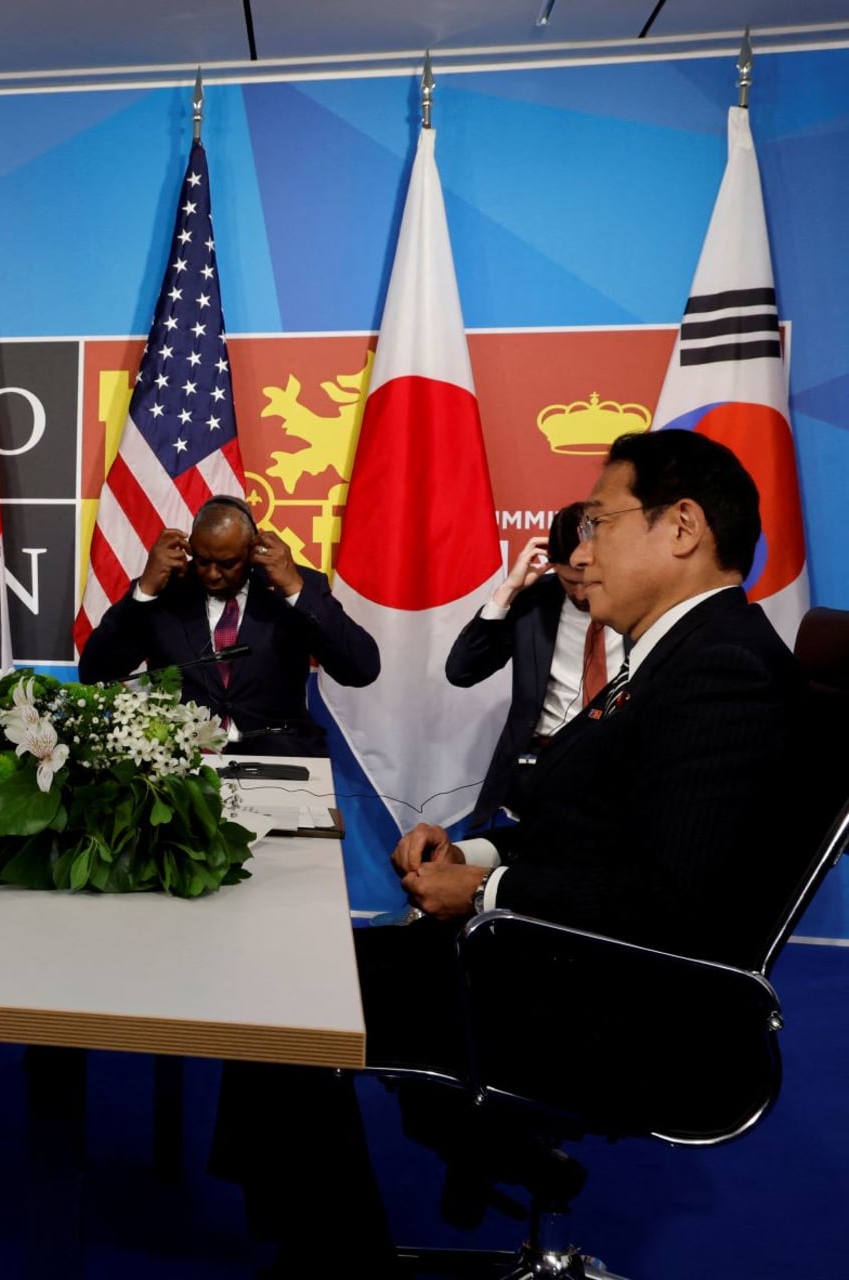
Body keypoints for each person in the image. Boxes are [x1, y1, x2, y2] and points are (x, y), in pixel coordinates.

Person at [210, 430, 819, 1277]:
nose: (581, 549)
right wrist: (470, 847)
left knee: (286, 992)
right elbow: (591, 825)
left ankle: (338, 1258)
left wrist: (486, 891)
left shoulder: (722, 670)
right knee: (291, 976)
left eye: (600, 522)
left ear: (682, 528)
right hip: (566, 961)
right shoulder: (681, 652)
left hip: (628, 1011)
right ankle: (378, 1199)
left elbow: (671, 904)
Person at [76, 495, 380, 756]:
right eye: (202, 561)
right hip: (182, 766)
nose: (212, 574)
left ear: (252, 551)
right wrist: (144, 592)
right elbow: (95, 672)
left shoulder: (292, 587)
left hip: (281, 760)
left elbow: (361, 668)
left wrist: (295, 590)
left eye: (227, 564)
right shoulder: (165, 590)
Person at [446, 502, 626, 827]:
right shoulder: (534, 603)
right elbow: (462, 671)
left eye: (590, 580)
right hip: (539, 770)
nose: (581, 593)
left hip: (619, 770)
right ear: (553, 565)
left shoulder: (642, 605)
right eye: (570, 581)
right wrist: (507, 592)